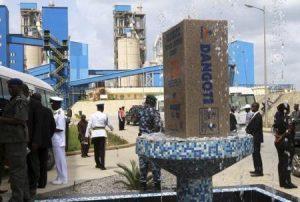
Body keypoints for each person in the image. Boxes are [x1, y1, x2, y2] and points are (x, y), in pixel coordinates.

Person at [0, 78, 30, 202]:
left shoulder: (20, 100)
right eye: (9, 88)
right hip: (11, 139)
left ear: (18, 87)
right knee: (20, 170)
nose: (10, 90)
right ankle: (25, 197)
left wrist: (1, 119)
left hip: (16, 140)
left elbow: (20, 120)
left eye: (11, 87)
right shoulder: (14, 100)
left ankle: (17, 198)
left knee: (17, 171)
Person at [30, 93, 56, 189]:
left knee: (33, 163)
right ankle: (42, 183)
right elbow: (53, 127)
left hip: (34, 142)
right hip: (45, 142)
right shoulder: (48, 111)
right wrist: (48, 136)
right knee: (43, 163)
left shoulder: (31, 110)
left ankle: (33, 182)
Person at [23, 85, 43, 197]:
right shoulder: (16, 102)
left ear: (25, 92)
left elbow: (39, 125)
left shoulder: (36, 104)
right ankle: (25, 189)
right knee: (23, 166)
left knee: (33, 165)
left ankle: (33, 187)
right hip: (20, 141)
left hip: (32, 142)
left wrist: (36, 141)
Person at [138, 95, 162, 191]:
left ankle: (143, 187)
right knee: (155, 165)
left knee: (143, 166)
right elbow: (158, 126)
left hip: (142, 140)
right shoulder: (154, 112)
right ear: (153, 102)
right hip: (151, 141)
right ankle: (157, 188)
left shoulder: (140, 111)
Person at [273, 103, 297, 188]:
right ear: (285, 110)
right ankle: (287, 183)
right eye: (288, 108)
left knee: (281, 162)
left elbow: (274, 129)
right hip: (286, 142)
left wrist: (277, 137)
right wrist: (281, 137)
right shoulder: (287, 118)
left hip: (278, 142)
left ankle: (282, 182)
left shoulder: (277, 117)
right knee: (287, 162)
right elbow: (289, 131)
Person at [85, 103, 113, 170]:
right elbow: (108, 124)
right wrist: (112, 128)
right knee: (102, 150)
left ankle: (97, 164)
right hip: (102, 134)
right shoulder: (104, 115)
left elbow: (89, 126)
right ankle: (102, 166)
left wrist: (86, 135)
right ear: (102, 108)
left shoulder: (92, 115)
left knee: (96, 149)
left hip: (95, 134)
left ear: (97, 108)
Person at [50, 96, 68, 185]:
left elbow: (60, 128)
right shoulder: (57, 113)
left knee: (60, 160)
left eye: (52, 103)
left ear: (57, 103)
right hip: (56, 140)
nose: (51, 105)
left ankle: (63, 179)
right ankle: (59, 176)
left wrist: (49, 129)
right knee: (58, 160)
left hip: (58, 140)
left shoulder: (60, 113)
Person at [246, 102, 264, 177]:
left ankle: (259, 171)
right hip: (254, 137)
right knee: (254, 154)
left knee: (257, 154)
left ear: (256, 107)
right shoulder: (255, 115)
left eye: (252, 107)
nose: (251, 108)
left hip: (256, 138)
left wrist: (248, 131)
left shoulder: (258, 116)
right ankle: (256, 169)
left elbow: (255, 128)